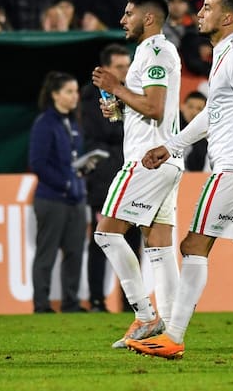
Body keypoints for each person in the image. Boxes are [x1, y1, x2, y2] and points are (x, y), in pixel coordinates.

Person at [128, 0, 233, 360]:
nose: (199, 13)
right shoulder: (223, 55)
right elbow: (212, 114)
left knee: (192, 246)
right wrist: (172, 145)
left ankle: (172, 336)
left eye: (207, 7)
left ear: (227, 18)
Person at [90, 0, 183, 349]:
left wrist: (116, 86)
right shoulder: (148, 52)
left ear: (148, 18)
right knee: (159, 246)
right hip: (167, 161)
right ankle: (172, 331)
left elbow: (156, 107)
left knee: (106, 234)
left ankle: (146, 316)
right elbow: (148, 106)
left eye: (128, 13)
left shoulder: (157, 50)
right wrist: (121, 107)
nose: (122, 20)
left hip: (148, 160)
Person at [79, 44, 139, 312]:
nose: (125, 71)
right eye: (119, 67)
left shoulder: (131, 91)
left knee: (134, 240)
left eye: (127, 66)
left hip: (132, 177)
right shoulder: (91, 96)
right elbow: (107, 131)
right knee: (102, 239)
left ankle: (131, 302)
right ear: (105, 70)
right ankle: (95, 300)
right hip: (104, 178)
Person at [28, 71, 89, 313]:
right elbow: (38, 163)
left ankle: (71, 302)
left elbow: (73, 158)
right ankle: (41, 305)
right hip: (52, 199)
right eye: (69, 91)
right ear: (55, 95)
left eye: (75, 91)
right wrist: (64, 183)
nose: (75, 97)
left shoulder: (74, 122)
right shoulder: (44, 123)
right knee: (47, 253)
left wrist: (83, 170)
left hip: (76, 198)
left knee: (74, 251)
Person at [179, 91, 208, 171]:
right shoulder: (170, 129)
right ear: (182, 107)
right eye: (190, 107)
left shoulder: (204, 141)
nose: (194, 112)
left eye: (199, 109)